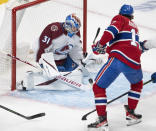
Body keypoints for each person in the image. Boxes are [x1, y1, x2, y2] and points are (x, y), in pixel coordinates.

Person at [88, 4, 156, 130]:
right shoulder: (135, 28)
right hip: (134, 62)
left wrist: (100, 44)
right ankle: (131, 114)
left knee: (98, 86)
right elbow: (131, 47)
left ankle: (102, 120)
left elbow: (111, 32)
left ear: (120, 13)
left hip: (118, 59)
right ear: (132, 16)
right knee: (137, 84)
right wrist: (104, 48)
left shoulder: (119, 19)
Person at [17, 14, 103, 90]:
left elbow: (75, 48)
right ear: (68, 25)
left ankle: (58, 73)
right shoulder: (53, 29)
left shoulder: (75, 33)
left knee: (72, 71)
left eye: (77, 28)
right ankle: (28, 81)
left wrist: (80, 60)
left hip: (63, 58)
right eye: (74, 28)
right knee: (53, 75)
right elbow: (42, 47)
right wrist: (42, 61)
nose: (76, 30)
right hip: (48, 57)